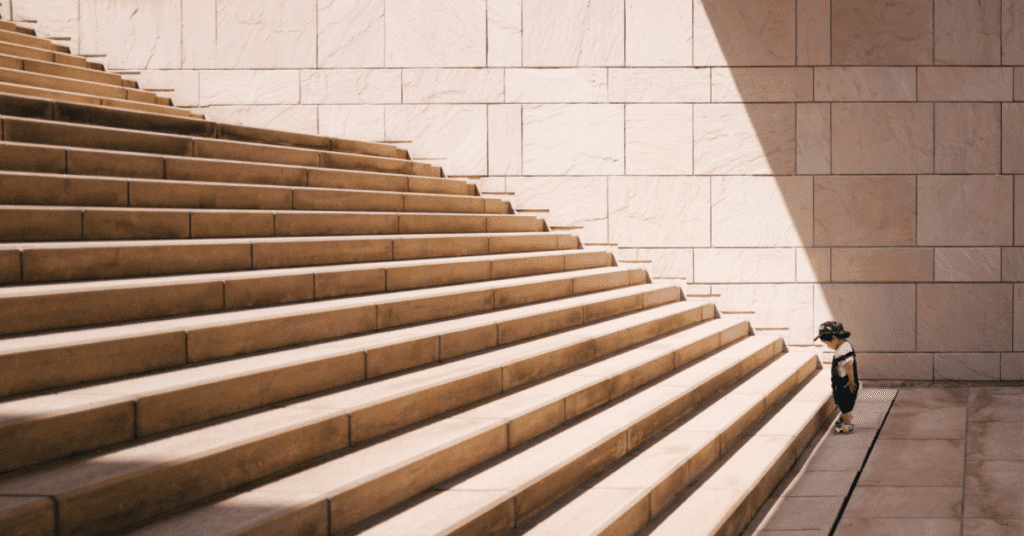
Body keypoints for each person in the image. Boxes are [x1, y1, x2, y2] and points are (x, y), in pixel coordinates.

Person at [814, 321, 858, 434]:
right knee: (842, 402)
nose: (827, 346)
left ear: (833, 338)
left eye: (826, 343)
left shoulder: (843, 350)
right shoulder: (844, 345)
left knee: (845, 403)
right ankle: (844, 417)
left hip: (845, 382)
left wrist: (851, 381)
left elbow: (848, 366)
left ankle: (847, 425)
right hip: (842, 381)